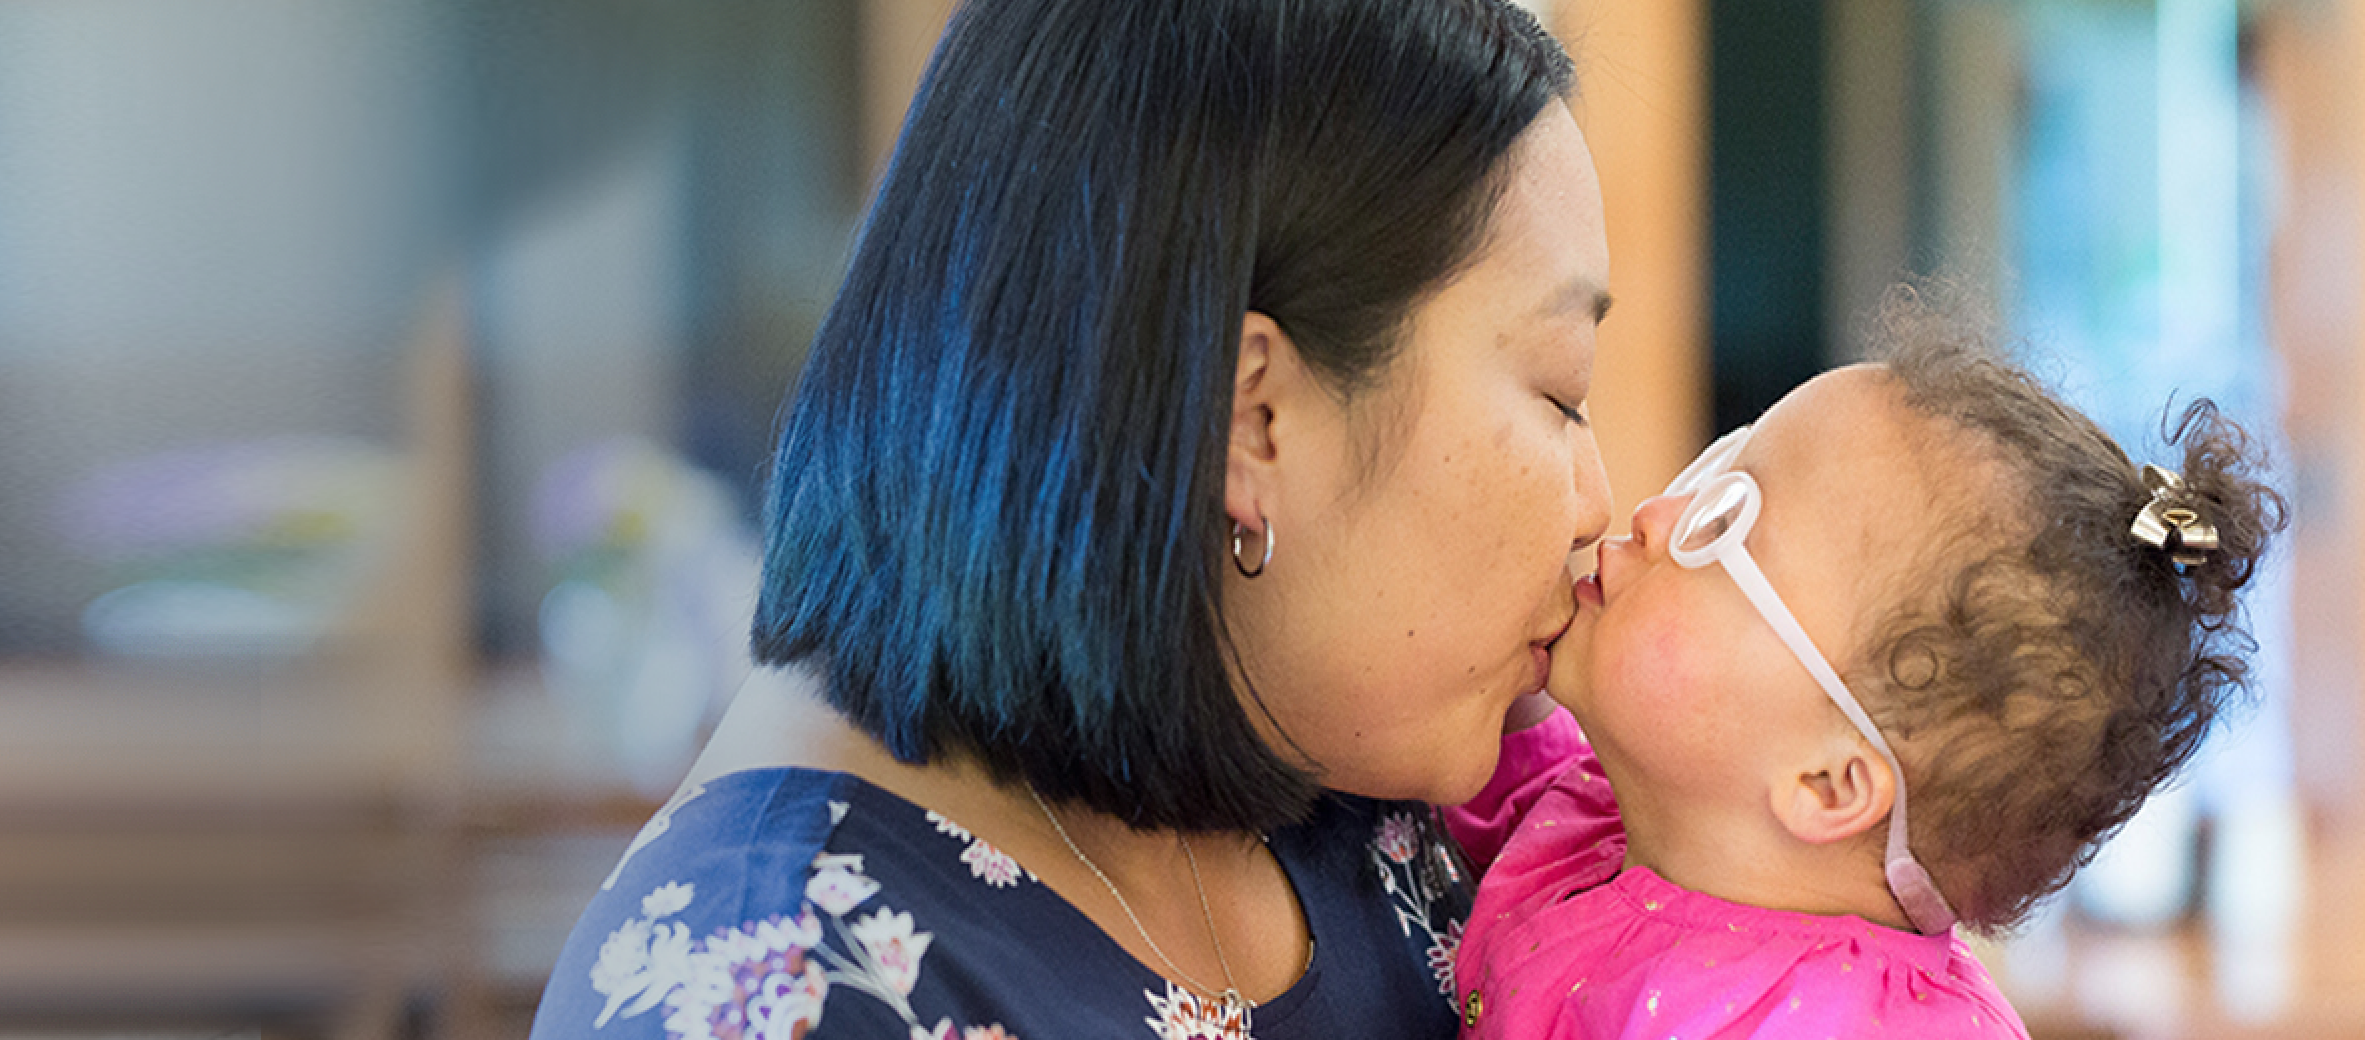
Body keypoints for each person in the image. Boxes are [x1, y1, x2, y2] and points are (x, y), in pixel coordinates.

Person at [528, 0, 1608, 1037]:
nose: (1595, 504)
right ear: (1253, 417)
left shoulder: (1350, 765)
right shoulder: (786, 995)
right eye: (1562, 394)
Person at [1444, 300, 2286, 1039]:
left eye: (1720, 530)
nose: (1656, 512)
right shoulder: (1587, 809)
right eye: (1711, 471)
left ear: (1830, 784)